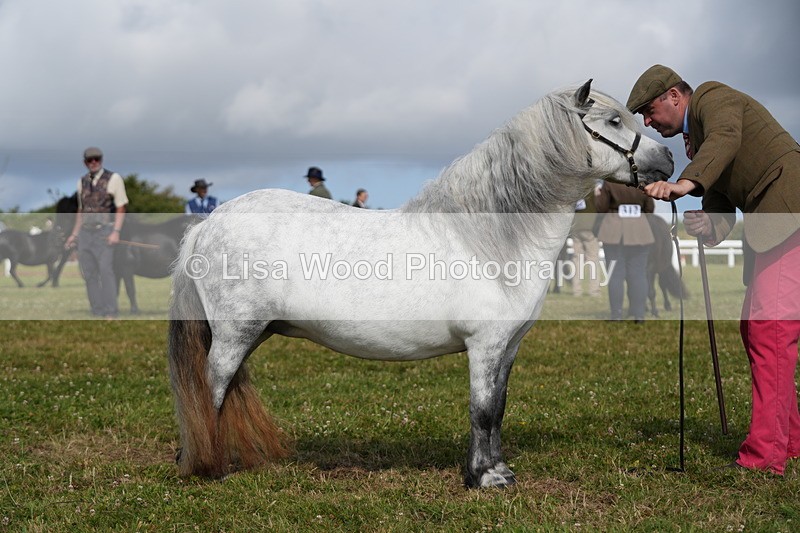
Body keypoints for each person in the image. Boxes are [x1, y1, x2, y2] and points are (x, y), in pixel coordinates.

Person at [628, 64, 800, 474]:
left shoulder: (713, 97)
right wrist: (709, 224)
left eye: (650, 111)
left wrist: (685, 184)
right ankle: (789, 439)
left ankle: (764, 455)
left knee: (769, 330)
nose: (649, 122)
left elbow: (727, 138)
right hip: (772, 221)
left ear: (674, 95)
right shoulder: (697, 142)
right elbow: (721, 203)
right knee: (757, 328)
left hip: (788, 210)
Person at [64, 147, 129, 318]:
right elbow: (81, 210)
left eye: (97, 159)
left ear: (101, 159)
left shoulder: (114, 179)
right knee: (89, 273)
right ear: (85, 162)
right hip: (85, 234)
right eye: (90, 160)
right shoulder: (81, 181)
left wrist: (116, 231)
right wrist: (74, 234)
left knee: (105, 270)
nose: (94, 162)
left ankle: (110, 312)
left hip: (104, 232)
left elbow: (121, 207)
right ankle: (97, 311)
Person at [595, 180, 655, 323]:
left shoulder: (610, 183)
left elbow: (601, 208)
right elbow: (650, 208)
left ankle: (616, 315)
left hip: (613, 233)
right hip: (639, 232)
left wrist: (598, 195)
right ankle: (639, 314)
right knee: (639, 275)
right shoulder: (643, 182)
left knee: (615, 276)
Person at [570, 183, 601, 298]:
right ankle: (594, 291)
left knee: (576, 259)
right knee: (592, 259)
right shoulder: (592, 186)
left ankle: (576, 290)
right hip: (590, 227)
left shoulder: (574, 187)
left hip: (575, 226)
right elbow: (599, 205)